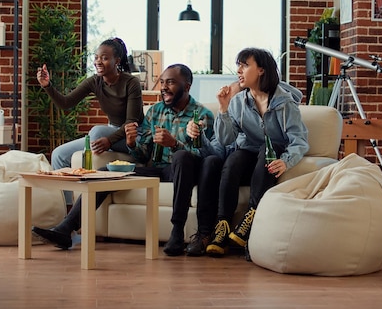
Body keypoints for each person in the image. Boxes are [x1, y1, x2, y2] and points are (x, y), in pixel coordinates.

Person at [32, 64, 218, 255]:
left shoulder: (202, 115)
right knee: (105, 172)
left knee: (181, 156)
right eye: (162, 82)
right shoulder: (155, 112)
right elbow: (144, 154)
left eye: (170, 82)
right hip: (159, 169)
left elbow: (205, 157)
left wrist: (174, 144)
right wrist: (131, 144)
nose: (163, 87)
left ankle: (177, 232)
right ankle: (65, 229)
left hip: (187, 173)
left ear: (186, 87)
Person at [205, 47, 309, 257]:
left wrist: (286, 161)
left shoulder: (285, 104)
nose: (239, 71)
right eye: (238, 66)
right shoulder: (237, 102)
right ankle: (223, 225)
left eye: (245, 65)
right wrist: (223, 110)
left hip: (270, 156)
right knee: (234, 159)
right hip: (247, 156)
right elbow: (226, 140)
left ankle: (251, 216)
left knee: (267, 148)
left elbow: (299, 141)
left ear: (261, 70)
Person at [36, 37, 144, 204]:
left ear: (117, 60)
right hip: (109, 132)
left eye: (104, 58)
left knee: (97, 132)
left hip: (133, 136)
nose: (98, 62)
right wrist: (47, 86)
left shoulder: (131, 82)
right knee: (59, 154)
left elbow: (131, 122)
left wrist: (109, 140)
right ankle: (68, 210)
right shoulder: (95, 81)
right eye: (96, 57)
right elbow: (66, 103)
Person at [182, 81, 242, 256]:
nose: (228, 100)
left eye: (232, 96)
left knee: (235, 160)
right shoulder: (223, 119)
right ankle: (204, 234)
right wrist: (199, 137)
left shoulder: (255, 117)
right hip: (225, 172)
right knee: (211, 162)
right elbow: (216, 152)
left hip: (246, 169)